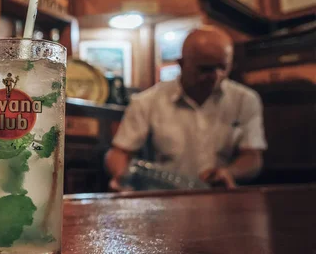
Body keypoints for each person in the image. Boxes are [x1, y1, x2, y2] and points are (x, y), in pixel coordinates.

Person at [105, 26, 267, 190]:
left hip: (221, 199)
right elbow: (119, 153)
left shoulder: (245, 100)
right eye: (206, 69)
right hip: (165, 202)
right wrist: (122, 177)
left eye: (223, 67)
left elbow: (253, 158)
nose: (216, 76)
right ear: (182, 64)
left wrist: (229, 172)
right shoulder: (147, 101)